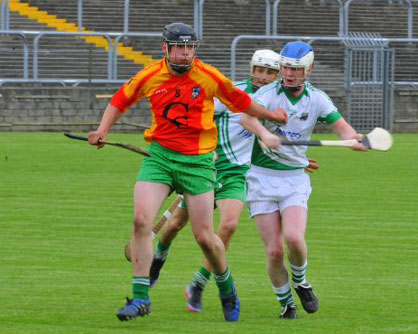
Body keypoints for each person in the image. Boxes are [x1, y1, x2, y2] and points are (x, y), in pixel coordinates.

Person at [88, 22, 287, 322]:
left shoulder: (208, 76)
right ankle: (140, 298)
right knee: (141, 220)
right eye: (178, 47)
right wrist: (102, 130)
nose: (184, 54)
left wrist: (271, 115)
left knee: (205, 237)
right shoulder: (149, 75)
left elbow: (240, 101)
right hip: (160, 158)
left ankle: (226, 287)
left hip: (198, 162)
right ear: (165, 48)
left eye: (189, 47)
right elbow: (120, 100)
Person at [148, 49, 319, 313]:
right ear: (251, 69)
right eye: (259, 70)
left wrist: (297, 160)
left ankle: (198, 284)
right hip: (208, 169)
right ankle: (158, 259)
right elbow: (198, 118)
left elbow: (276, 137)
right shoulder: (231, 93)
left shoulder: (277, 99)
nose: (263, 77)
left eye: (270, 72)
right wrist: (204, 149)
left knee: (228, 226)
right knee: (175, 225)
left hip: (238, 175)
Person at [242, 40, 368, 320]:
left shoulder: (317, 98)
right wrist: (264, 134)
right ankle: (287, 304)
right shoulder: (267, 93)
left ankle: (300, 281)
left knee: (294, 239)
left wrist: (355, 140)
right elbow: (247, 119)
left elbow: (342, 128)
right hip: (261, 179)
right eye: (286, 67)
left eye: (296, 69)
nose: (289, 73)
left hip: (294, 180)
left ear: (308, 70)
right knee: (274, 251)